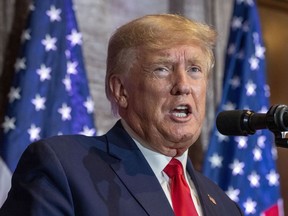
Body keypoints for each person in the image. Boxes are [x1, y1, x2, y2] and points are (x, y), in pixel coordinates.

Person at [0, 14, 243, 215]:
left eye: (194, 69)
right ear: (121, 90)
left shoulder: (226, 206)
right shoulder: (63, 168)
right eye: (162, 68)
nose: (183, 85)